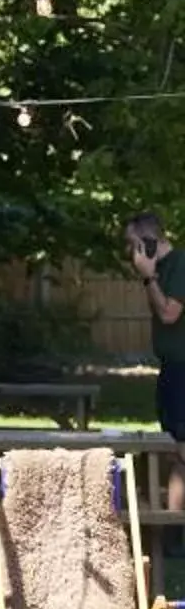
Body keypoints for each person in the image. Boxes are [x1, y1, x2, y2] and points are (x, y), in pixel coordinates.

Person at [126, 209, 185, 515]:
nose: (130, 253)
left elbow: (169, 314)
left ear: (149, 242)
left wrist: (148, 277)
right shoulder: (161, 270)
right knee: (174, 450)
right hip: (170, 368)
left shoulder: (180, 265)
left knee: (182, 450)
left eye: (133, 244)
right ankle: (175, 530)